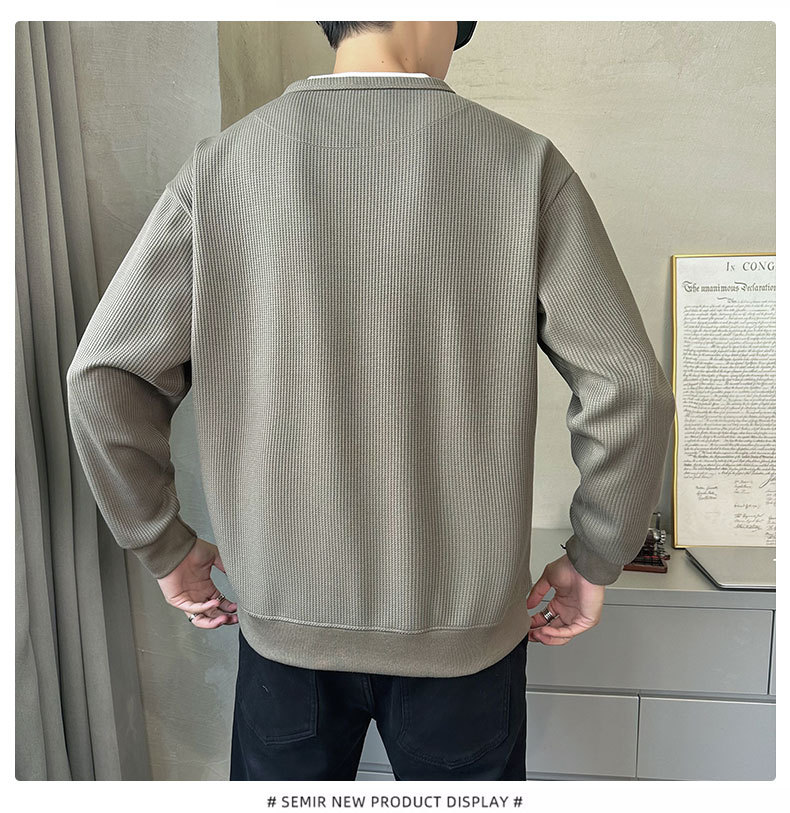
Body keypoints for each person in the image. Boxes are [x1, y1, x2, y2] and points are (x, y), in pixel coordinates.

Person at [66, 21, 677, 781]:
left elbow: (105, 379)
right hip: (462, 633)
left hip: (286, 626)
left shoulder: (222, 169)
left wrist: (164, 544)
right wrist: (596, 555)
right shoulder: (523, 166)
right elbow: (628, 389)